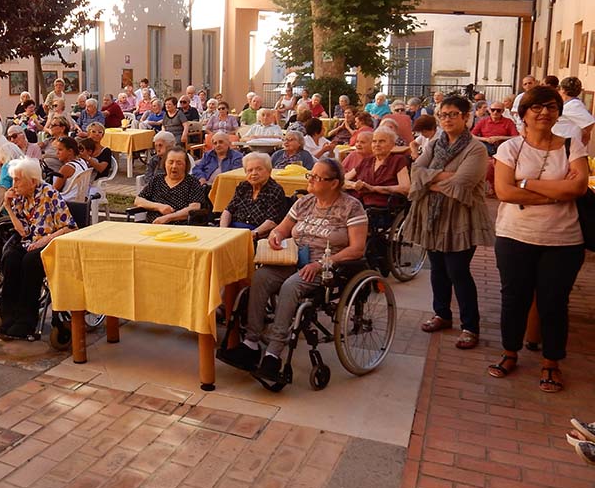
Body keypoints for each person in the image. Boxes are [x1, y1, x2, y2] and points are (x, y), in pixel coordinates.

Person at [219, 158, 368, 378]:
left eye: (317, 177)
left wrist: (321, 264)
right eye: (311, 175)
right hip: (292, 259)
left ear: (334, 183)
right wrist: (275, 237)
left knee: (291, 286)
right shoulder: (304, 202)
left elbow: (357, 249)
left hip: (326, 267)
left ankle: (273, 352)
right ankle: (251, 343)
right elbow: (281, 229)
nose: (311, 180)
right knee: (260, 277)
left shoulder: (351, 207)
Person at [487, 86, 589, 393]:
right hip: (515, 236)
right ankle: (509, 353)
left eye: (551, 106)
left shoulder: (573, 147)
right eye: (537, 107)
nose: (544, 112)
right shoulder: (509, 149)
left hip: (563, 240)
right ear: (524, 114)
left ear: (559, 112)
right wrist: (554, 193)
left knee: (554, 303)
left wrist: (527, 183)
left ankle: (551, 362)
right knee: (514, 297)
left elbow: (578, 189)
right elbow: (504, 192)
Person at [408, 95, 493, 350]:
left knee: (458, 271)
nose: (447, 119)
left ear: (466, 117)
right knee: (438, 269)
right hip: (433, 217)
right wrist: (440, 177)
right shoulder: (435, 143)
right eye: (443, 115)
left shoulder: (476, 149)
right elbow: (415, 171)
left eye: (453, 114)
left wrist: (429, 180)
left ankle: (470, 326)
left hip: (461, 218)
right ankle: (442, 314)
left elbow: (462, 182)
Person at [0, 158, 77, 337]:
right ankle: (8, 314)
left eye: (18, 179)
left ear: (33, 181)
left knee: (29, 261)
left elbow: (70, 227)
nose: (14, 184)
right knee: (11, 258)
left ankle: (27, 320)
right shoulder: (20, 198)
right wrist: (8, 207)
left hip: (53, 244)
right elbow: (23, 232)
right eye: (13, 179)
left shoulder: (50, 194)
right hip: (31, 242)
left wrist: (44, 240)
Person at [134, 147, 208, 223]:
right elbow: (138, 200)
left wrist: (169, 218)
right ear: (165, 164)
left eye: (179, 163)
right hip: (153, 226)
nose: (174, 166)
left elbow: (195, 207)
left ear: (186, 165)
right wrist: (159, 207)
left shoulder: (192, 182)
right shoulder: (157, 179)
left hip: (179, 228)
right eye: (170, 162)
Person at [345, 128, 411, 207]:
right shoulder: (367, 161)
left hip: (384, 208)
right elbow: (343, 180)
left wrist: (374, 188)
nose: (377, 145)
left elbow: (405, 188)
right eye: (374, 141)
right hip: (361, 206)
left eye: (382, 141)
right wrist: (354, 185)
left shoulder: (398, 160)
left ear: (392, 145)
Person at [554, 76, 595, 145]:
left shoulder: (573, 105)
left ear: (563, 90)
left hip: (567, 143)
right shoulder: (568, 104)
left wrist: (583, 141)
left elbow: (589, 123)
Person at [51, 136, 88, 201]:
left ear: (70, 151)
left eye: (60, 150)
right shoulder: (82, 162)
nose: (57, 153)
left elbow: (54, 190)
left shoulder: (67, 168)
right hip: (79, 200)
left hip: (67, 202)